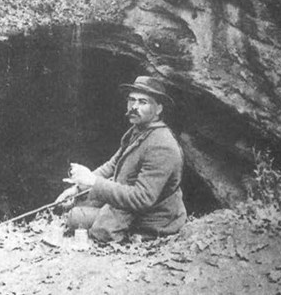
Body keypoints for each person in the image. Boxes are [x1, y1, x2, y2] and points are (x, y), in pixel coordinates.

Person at [56, 75, 187, 242]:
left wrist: (93, 182)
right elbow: (112, 165)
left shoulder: (162, 145)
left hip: (154, 218)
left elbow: (142, 198)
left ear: (159, 109)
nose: (134, 107)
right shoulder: (138, 131)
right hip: (128, 207)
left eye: (143, 102)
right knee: (75, 208)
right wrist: (77, 189)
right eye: (131, 100)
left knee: (76, 218)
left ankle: (133, 236)